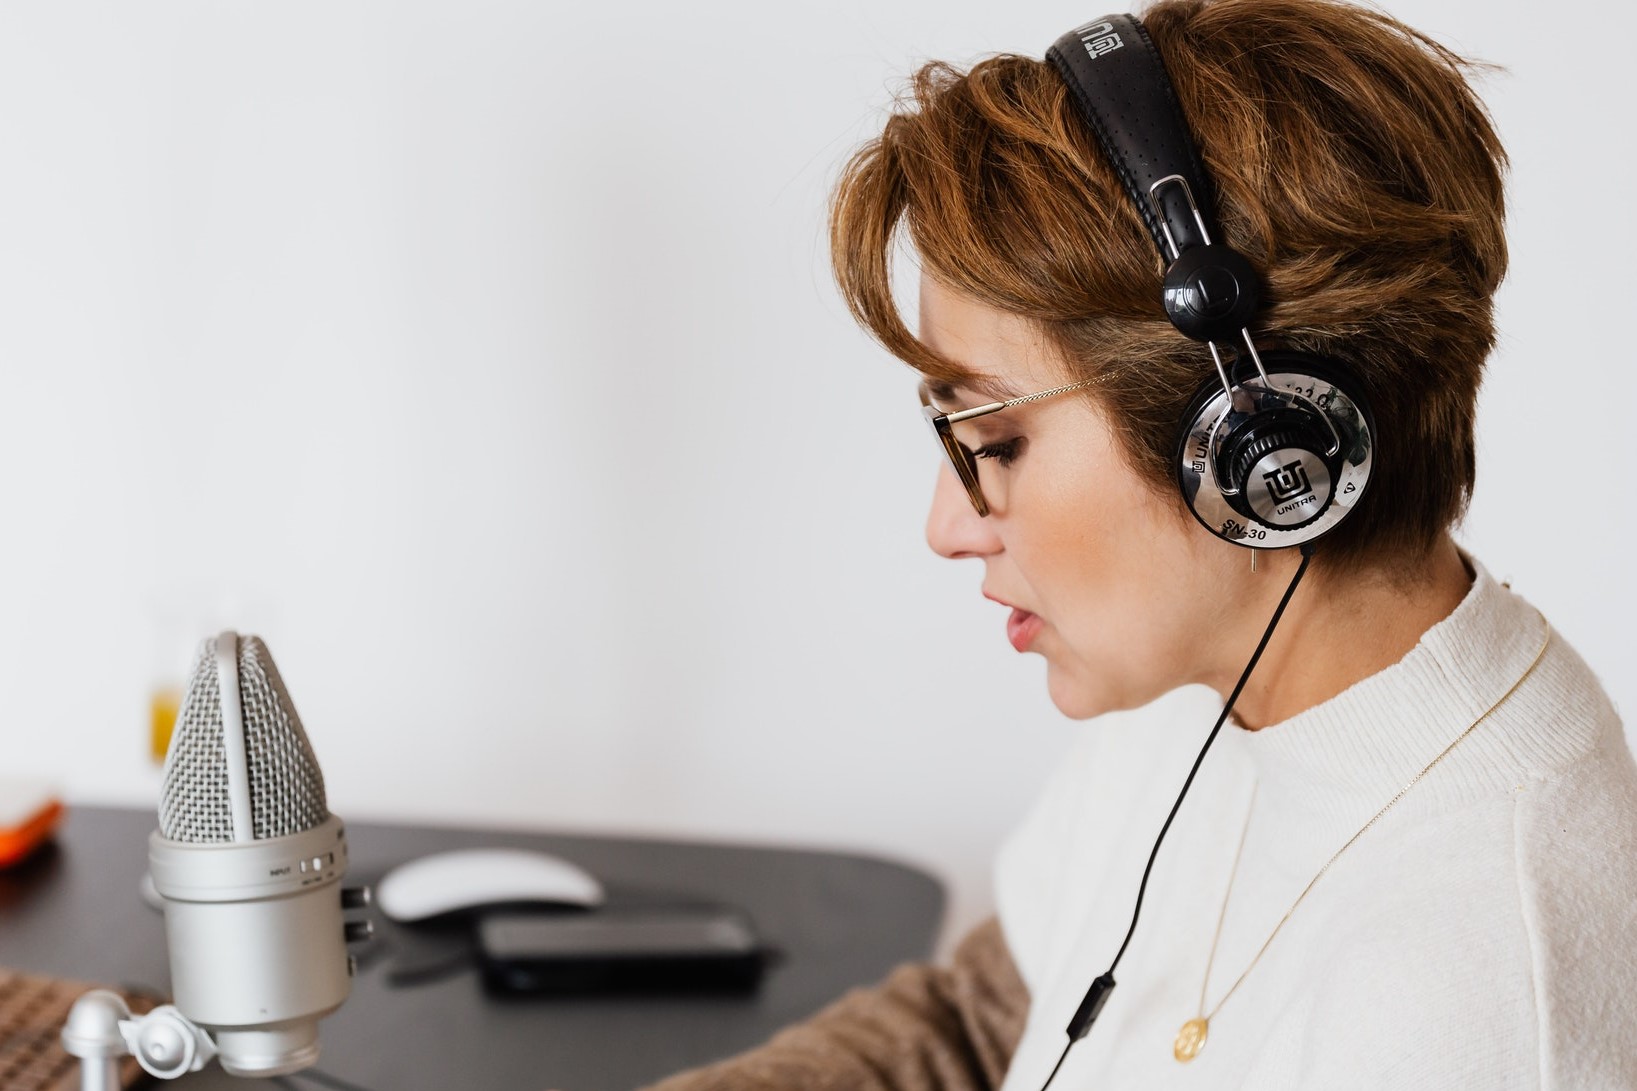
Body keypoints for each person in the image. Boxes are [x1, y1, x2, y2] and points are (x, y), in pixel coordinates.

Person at [644, 0, 1637, 1087]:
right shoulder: (1207, 674)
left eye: (995, 436)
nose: (946, 525)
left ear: (1252, 447)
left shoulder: (1467, 997)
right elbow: (974, 1026)